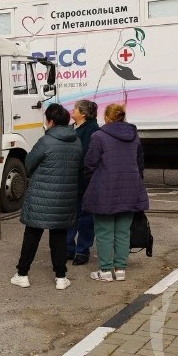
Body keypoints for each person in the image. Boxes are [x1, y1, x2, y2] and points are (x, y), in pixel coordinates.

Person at [11, 104, 82, 291]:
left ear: (50, 122)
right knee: (59, 236)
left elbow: (28, 164)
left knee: (32, 235)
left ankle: (22, 275)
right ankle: (61, 277)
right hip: (65, 198)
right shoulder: (76, 141)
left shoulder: (46, 141)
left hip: (41, 197)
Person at [82, 103, 149, 282]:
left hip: (105, 189)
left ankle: (105, 271)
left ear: (106, 117)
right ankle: (120, 270)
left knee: (104, 231)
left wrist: (92, 181)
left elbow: (89, 164)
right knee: (123, 231)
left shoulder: (98, 136)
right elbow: (140, 163)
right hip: (130, 188)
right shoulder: (134, 136)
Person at [67, 100, 100, 266]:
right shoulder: (71, 128)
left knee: (86, 218)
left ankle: (82, 250)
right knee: (70, 215)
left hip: (85, 181)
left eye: (75, 108)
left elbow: (87, 157)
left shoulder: (92, 130)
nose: (72, 110)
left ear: (84, 114)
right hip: (71, 180)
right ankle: (68, 248)